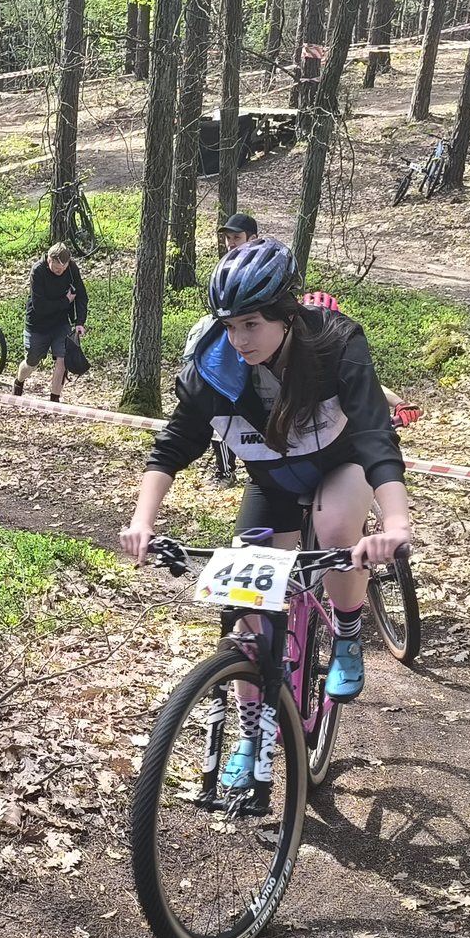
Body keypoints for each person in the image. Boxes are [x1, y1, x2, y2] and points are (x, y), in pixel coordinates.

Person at [119, 238, 410, 793]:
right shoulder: (212, 365)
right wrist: (142, 521)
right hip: (272, 483)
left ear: (285, 314)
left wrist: (396, 524)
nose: (240, 339)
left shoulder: (335, 343)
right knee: (246, 612)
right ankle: (252, 736)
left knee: (335, 528)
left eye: (251, 324)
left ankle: (348, 631)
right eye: (229, 325)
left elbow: (375, 435)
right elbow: (173, 445)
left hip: (341, 465)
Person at [17, 242, 88, 401]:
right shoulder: (38, 271)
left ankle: (54, 400)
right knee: (32, 363)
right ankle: (19, 381)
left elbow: (81, 295)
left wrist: (80, 322)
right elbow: (40, 306)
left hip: (61, 323)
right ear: (49, 260)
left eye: (63, 268)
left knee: (63, 359)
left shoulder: (72, 268)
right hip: (38, 324)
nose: (60, 271)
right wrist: (65, 301)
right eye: (57, 269)